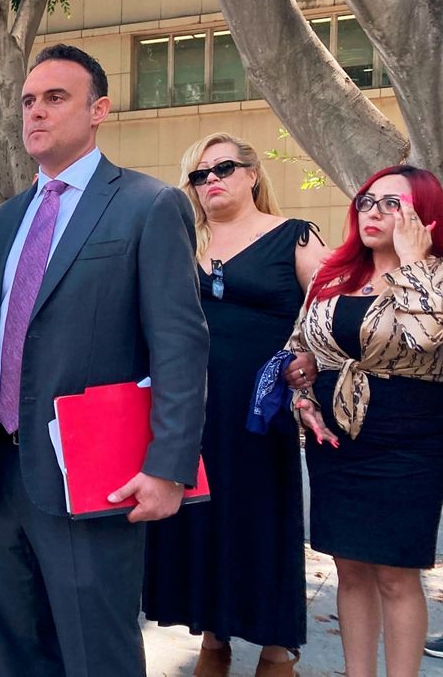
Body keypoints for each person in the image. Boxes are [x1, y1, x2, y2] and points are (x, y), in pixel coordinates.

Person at [0, 44, 209, 677]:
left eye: (55, 98)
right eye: (28, 101)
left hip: (89, 471)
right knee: (16, 650)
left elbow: (180, 344)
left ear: (99, 111)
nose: (36, 112)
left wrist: (169, 465)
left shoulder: (148, 205)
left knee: (97, 653)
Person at [142, 133, 327, 677]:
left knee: (261, 522)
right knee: (203, 520)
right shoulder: (182, 243)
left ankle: (275, 647)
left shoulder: (294, 236)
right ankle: (214, 637)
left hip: (259, 416)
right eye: (199, 174)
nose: (211, 180)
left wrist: (306, 360)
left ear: (252, 173)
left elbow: (330, 313)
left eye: (222, 167)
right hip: (191, 413)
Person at [287, 165, 443, 677]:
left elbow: (426, 340)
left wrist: (415, 262)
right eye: (366, 201)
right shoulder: (335, 272)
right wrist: (303, 392)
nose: (373, 212)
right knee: (348, 569)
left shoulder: (436, 275)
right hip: (338, 444)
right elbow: (299, 345)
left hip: (409, 443)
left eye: (391, 204)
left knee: (397, 577)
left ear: (425, 215)